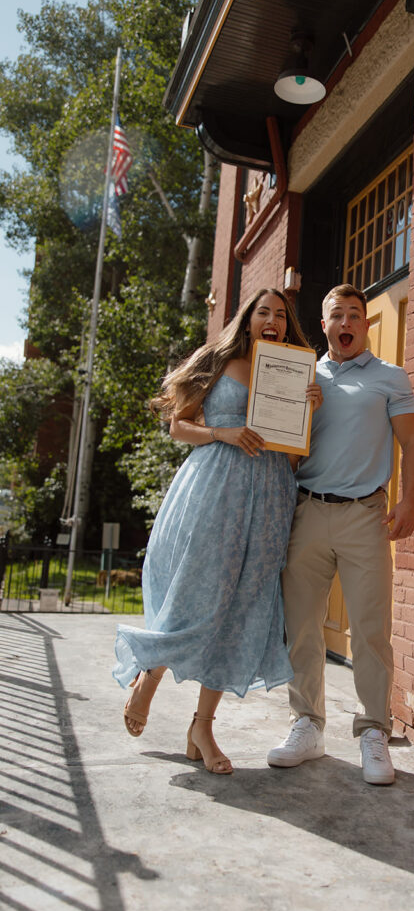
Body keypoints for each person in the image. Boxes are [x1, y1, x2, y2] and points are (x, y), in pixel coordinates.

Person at [113, 288, 319, 775]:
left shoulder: (295, 369)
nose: (272, 320)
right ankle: (149, 678)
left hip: (269, 495)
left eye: (282, 315)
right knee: (194, 595)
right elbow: (178, 428)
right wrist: (222, 432)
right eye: (263, 312)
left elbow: (293, 454)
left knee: (242, 607)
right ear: (248, 319)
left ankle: (201, 727)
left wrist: (310, 409)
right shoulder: (215, 358)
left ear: (288, 326)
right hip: (214, 489)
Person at [267, 283, 414, 785]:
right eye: (338, 314)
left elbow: (412, 443)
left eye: (356, 315)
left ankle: (374, 732)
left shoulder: (390, 377)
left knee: (371, 629)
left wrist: (410, 501)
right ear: (325, 323)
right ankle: (307, 724)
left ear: (365, 325)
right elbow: (285, 454)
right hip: (307, 511)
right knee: (303, 626)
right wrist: (305, 408)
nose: (347, 323)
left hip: (365, 516)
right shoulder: (302, 374)